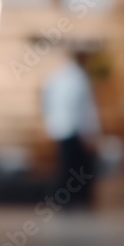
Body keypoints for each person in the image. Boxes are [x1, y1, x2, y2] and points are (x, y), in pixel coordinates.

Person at [40, 44, 101, 209]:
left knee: (67, 167)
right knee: (74, 169)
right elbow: (83, 108)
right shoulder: (79, 78)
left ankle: (65, 200)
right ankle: (71, 200)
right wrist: (89, 131)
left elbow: (46, 100)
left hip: (62, 127)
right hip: (74, 129)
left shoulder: (59, 77)